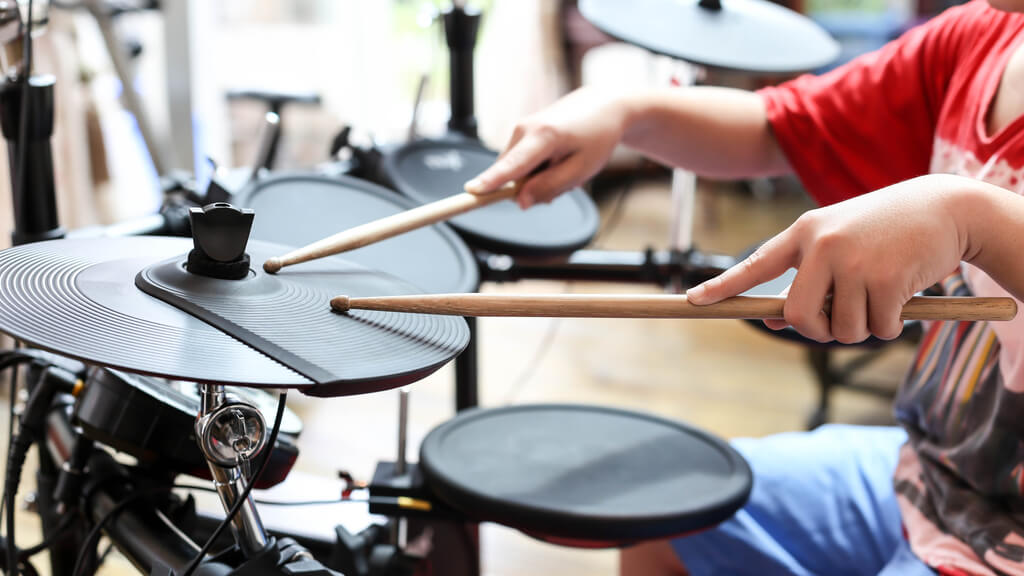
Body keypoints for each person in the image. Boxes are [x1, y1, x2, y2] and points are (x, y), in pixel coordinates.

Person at [465, 2, 1024, 575]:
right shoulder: (980, 40)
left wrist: (970, 216)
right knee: (666, 514)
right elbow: (782, 126)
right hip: (929, 475)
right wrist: (627, 111)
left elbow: (970, 217)